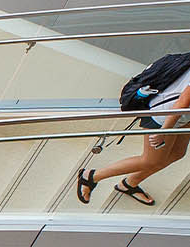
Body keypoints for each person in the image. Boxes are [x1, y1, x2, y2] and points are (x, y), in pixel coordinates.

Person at [77, 56, 190, 206]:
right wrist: (164, 130)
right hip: (163, 116)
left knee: (176, 153)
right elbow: (182, 102)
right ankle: (91, 176)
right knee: (150, 160)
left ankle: (129, 184)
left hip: (183, 117)